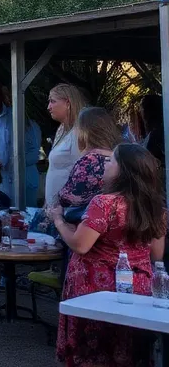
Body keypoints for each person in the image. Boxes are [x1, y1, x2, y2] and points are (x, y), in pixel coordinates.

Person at [52, 143, 167, 367]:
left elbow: (80, 245)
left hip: (96, 288)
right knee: (129, 352)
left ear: (123, 170)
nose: (106, 164)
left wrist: (58, 220)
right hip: (138, 289)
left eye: (111, 160)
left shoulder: (105, 204)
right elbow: (157, 253)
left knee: (92, 353)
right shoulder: (157, 209)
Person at [56, 107, 121, 219]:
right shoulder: (122, 156)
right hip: (116, 221)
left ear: (84, 132)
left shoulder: (89, 162)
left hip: (86, 226)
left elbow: (68, 197)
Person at [44, 83, 86, 207]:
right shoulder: (61, 129)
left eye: (52, 101)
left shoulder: (80, 132)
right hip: (54, 208)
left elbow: (79, 172)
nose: (48, 107)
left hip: (67, 208)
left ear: (68, 103)